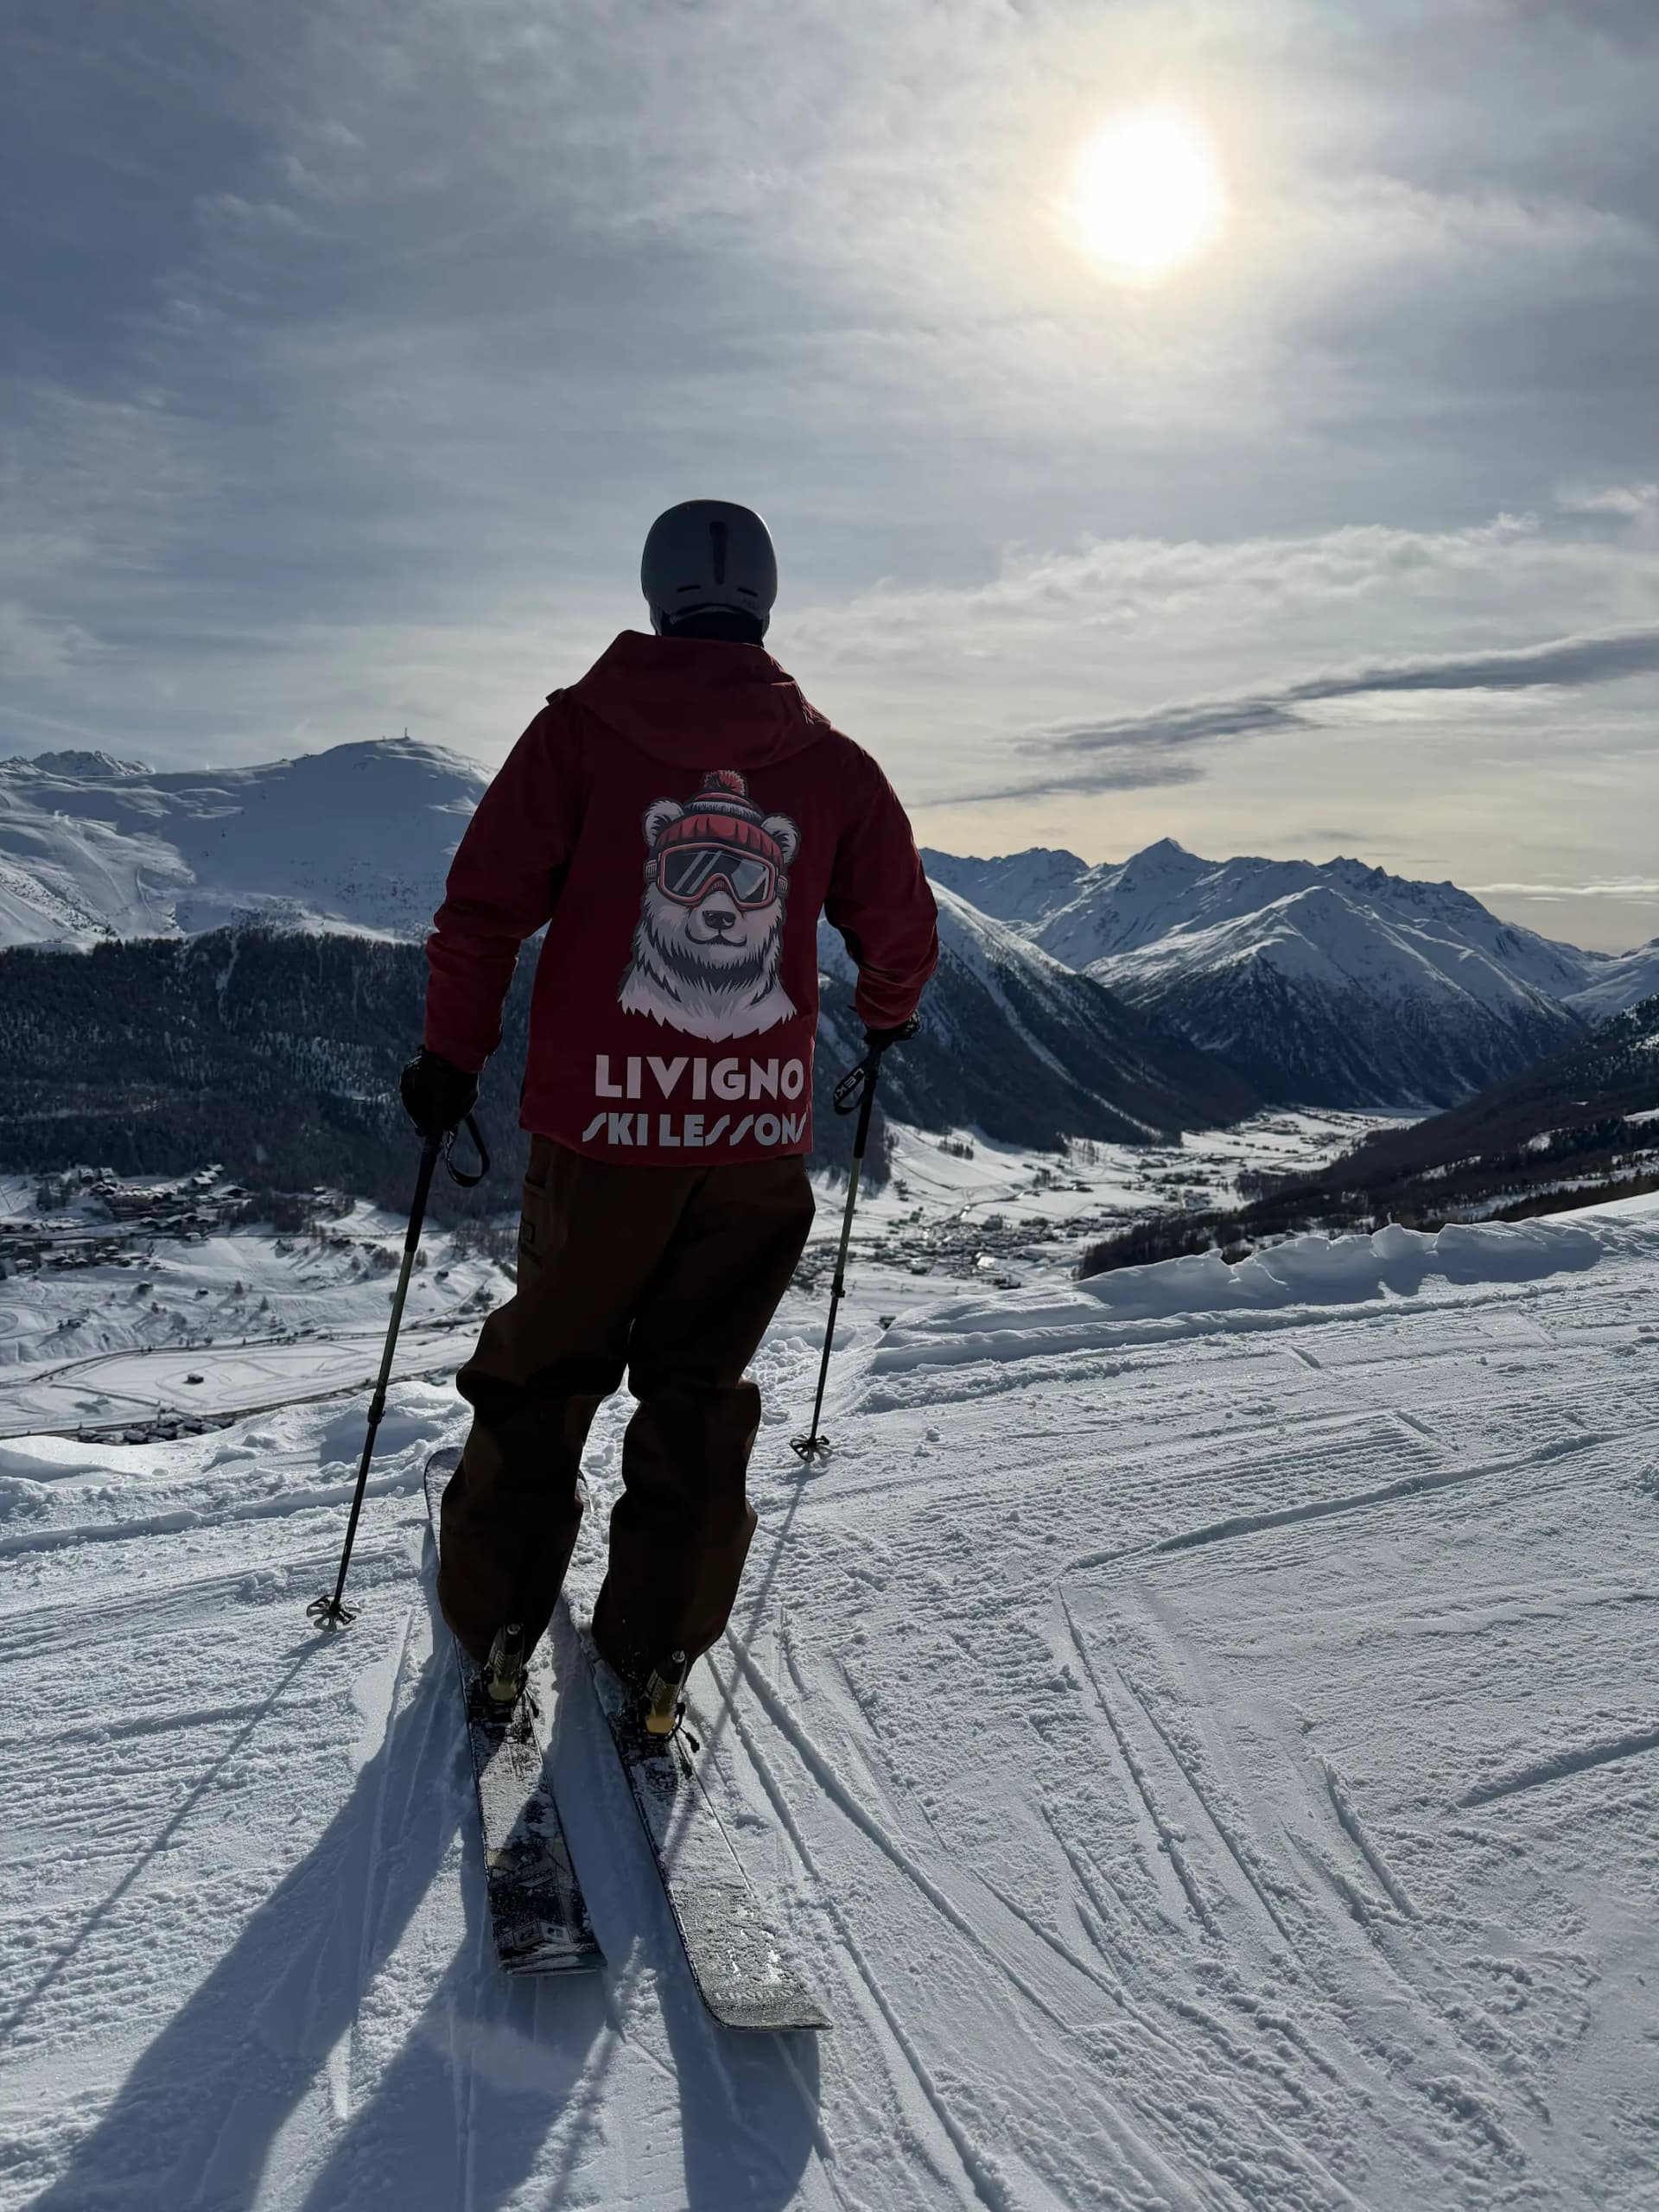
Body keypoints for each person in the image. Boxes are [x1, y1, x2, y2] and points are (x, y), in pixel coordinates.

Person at [401, 498, 938, 1714]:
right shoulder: (836, 768)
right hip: (753, 1140)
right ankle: (655, 1653)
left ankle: (497, 1632)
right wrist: (890, 1015)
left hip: (600, 1137)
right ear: (768, 601)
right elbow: (901, 925)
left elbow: (482, 909)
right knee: (697, 1393)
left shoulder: (579, 736)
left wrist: (450, 1060)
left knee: (546, 1374)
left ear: (655, 596)